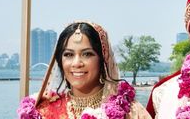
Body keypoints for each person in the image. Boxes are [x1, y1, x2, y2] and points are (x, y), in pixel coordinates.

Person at [17, 21, 151, 119]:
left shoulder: (130, 111)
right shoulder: (43, 112)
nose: (77, 63)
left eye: (87, 54)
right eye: (68, 55)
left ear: (102, 59)